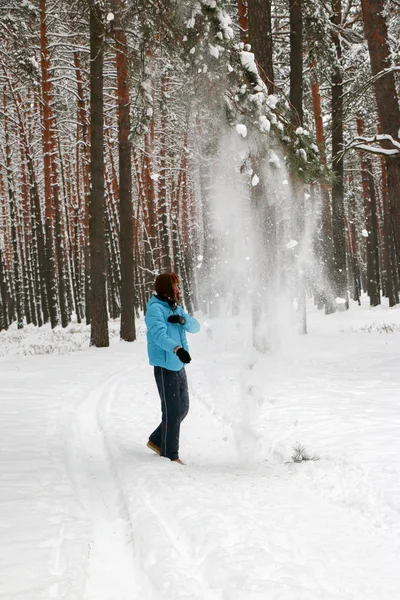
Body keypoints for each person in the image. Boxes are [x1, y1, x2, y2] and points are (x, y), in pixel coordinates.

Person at [145, 273, 200, 464]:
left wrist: (183, 321)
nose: (178, 290)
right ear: (167, 289)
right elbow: (159, 336)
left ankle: (157, 439)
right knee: (172, 412)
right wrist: (177, 349)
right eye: (175, 286)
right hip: (165, 365)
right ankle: (170, 454)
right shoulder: (155, 309)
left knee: (182, 408)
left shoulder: (175, 307)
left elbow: (196, 327)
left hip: (178, 364)